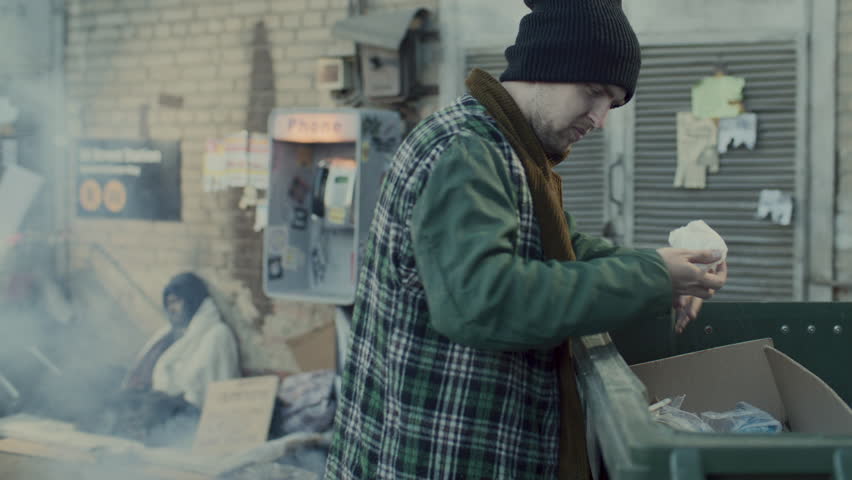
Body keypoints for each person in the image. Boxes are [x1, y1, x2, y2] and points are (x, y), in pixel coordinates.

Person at [325, 0, 728, 479]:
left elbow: (566, 249)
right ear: (545, 66)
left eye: (613, 104)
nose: (600, 119)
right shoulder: (467, 150)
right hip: (435, 458)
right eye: (593, 92)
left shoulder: (510, 153)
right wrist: (653, 276)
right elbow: (487, 301)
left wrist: (670, 270)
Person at [124, 272, 240, 408]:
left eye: (176, 302)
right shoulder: (167, 333)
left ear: (192, 301)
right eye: (168, 304)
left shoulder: (217, 334)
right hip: (152, 402)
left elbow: (199, 388)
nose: (171, 309)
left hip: (184, 413)